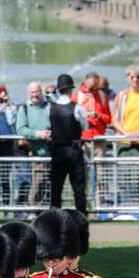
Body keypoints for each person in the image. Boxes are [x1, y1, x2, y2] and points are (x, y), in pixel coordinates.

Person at [47, 73, 90, 212]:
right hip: (74, 150)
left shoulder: (51, 108)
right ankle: (81, 217)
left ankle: (54, 218)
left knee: (56, 188)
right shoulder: (76, 108)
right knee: (78, 187)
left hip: (57, 151)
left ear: (59, 90)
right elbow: (86, 126)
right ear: (70, 89)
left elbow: (49, 125)